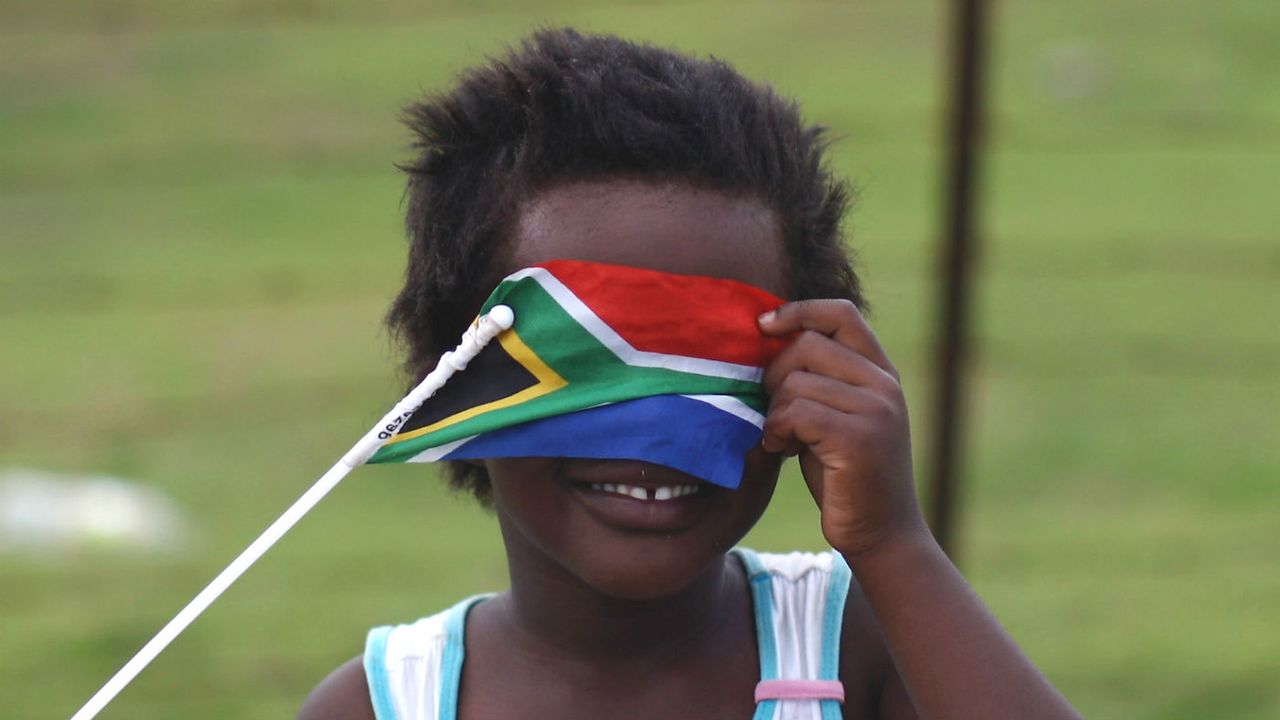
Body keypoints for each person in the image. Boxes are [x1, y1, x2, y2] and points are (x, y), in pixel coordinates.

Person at [299, 28, 1081, 720]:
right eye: (588, 356)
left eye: (715, 360)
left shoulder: (861, 651)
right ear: (459, 377)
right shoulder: (380, 706)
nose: (658, 435)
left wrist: (891, 542)